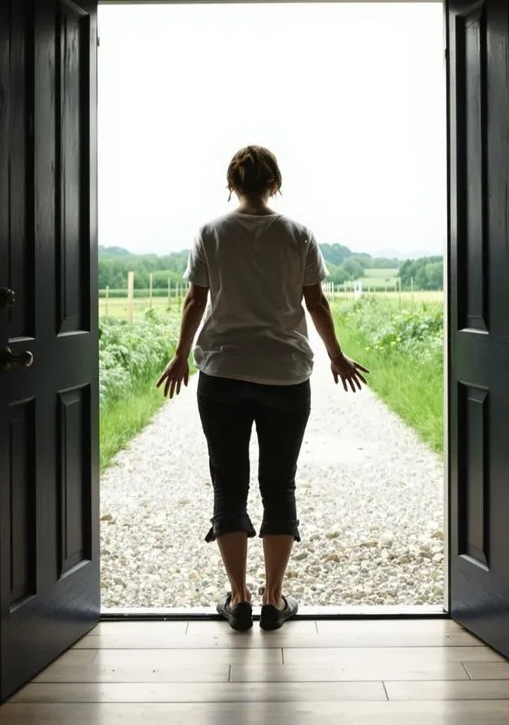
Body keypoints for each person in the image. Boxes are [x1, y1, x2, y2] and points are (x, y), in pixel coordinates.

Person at [155, 145, 370, 631]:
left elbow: (195, 299)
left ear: (232, 183)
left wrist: (181, 354)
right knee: (279, 483)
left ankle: (239, 597)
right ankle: (273, 599)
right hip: (286, 375)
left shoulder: (211, 233)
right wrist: (335, 355)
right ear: (275, 183)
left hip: (223, 374)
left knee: (229, 485)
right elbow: (315, 302)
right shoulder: (297, 235)